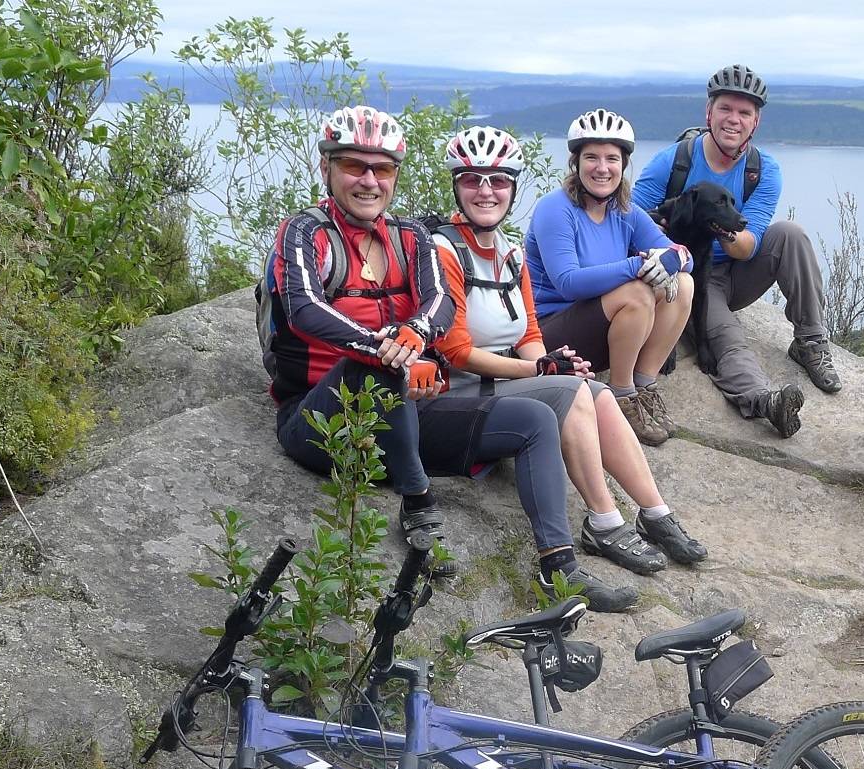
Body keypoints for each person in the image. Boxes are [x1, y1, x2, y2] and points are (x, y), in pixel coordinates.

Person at [262, 106, 635, 612]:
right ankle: (417, 502)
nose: (370, 180)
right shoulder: (304, 233)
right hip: (321, 419)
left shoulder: (411, 236)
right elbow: (304, 309)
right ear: (326, 168)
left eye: (383, 169)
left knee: (535, 419)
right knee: (375, 365)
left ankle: (560, 569)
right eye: (354, 166)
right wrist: (390, 351)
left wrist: (413, 337)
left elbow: (438, 305)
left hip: (405, 415)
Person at [429, 125, 708, 578]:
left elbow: (528, 329)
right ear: (576, 163)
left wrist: (549, 364)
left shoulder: (508, 252)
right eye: (472, 180)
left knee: (586, 386)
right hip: (468, 390)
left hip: (512, 369)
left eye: (497, 182)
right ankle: (605, 520)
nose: (485, 191)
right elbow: (459, 349)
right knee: (617, 328)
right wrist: (539, 368)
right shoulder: (447, 250)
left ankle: (655, 511)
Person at [633, 64, 840, 439]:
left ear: (756, 122)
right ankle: (763, 400)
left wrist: (713, 222)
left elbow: (748, 246)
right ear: (708, 113)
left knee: (791, 233)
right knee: (724, 334)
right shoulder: (674, 162)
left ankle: (811, 341)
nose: (734, 119)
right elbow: (626, 218)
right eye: (726, 108)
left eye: (745, 113)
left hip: (740, 269)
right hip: (693, 276)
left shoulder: (762, 170)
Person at [525, 108, 692, 447]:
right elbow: (568, 282)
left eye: (612, 158)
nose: (602, 168)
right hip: (552, 337)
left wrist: (675, 259)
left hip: (600, 331)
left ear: (624, 164)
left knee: (683, 284)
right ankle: (620, 394)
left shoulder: (625, 211)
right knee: (638, 292)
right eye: (592, 157)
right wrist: (637, 267)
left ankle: (644, 385)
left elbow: (679, 256)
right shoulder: (554, 209)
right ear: (576, 162)